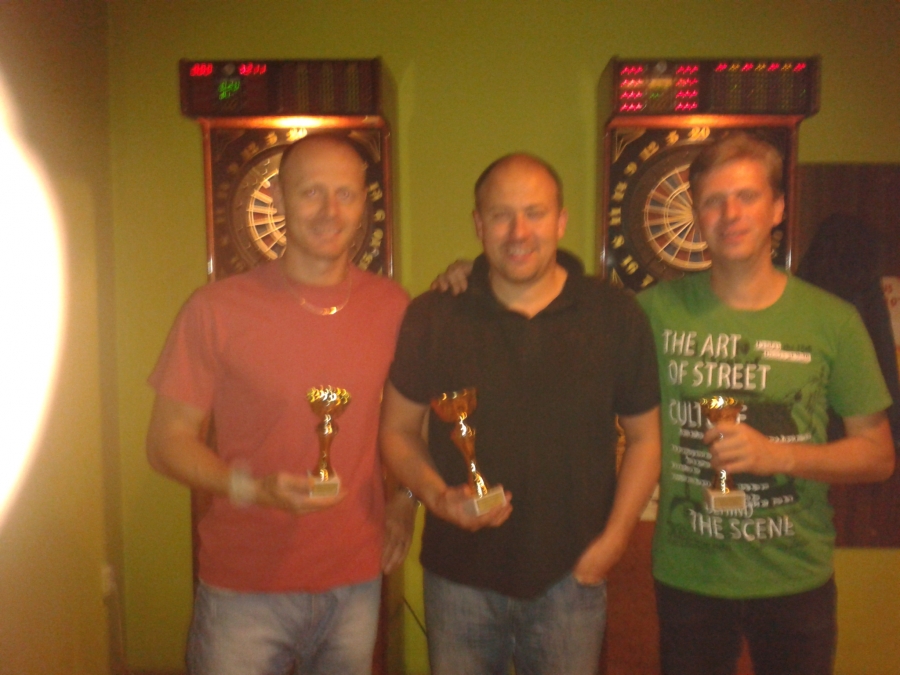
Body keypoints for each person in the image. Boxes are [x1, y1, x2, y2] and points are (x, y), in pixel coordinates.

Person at [379, 153, 661, 675]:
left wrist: (615, 541)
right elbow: (397, 431)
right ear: (478, 224)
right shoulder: (434, 315)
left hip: (572, 579)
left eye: (535, 212)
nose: (518, 231)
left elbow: (645, 439)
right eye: (501, 215)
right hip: (458, 580)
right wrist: (437, 498)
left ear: (561, 221)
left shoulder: (615, 314)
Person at [146, 133, 416, 675]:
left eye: (345, 194)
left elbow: (409, 424)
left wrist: (405, 499)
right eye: (311, 192)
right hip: (244, 586)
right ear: (279, 198)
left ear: (363, 204)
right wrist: (252, 488)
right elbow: (166, 443)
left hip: (355, 580)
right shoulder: (216, 309)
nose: (330, 211)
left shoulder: (393, 306)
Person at [636, 132, 895, 675]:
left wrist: (778, 456)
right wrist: (473, 279)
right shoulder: (652, 312)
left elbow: (878, 456)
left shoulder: (833, 320)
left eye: (747, 196)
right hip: (690, 577)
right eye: (713, 200)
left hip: (794, 579)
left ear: (777, 207)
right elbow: (566, 312)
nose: (730, 214)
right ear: (697, 214)